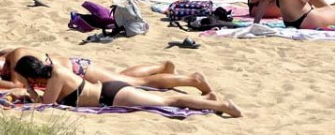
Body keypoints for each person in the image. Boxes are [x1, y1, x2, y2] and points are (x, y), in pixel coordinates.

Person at [14, 56, 242, 117]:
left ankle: (222, 104)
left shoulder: (56, 75)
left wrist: (29, 89)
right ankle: (210, 100)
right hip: (109, 93)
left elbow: (47, 103)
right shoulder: (52, 74)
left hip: (112, 95)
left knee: (170, 101)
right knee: (163, 98)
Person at [0, 48, 212, 93]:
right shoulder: (12, 61)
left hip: (78, 71)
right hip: (77, 68)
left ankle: (190, 79)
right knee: (124, 76)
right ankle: (163, 66)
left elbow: (19, 87)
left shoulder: (17, 56)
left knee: (132, 84)